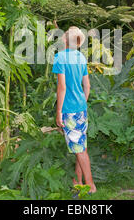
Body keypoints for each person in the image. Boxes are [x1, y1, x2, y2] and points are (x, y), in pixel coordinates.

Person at [52, 26, 97, 195]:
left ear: (65, 40)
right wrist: (82, 102)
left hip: (69, 109)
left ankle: (90, 185)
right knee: (80, 146)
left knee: (79, 149)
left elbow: (62, 87)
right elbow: (87, 85)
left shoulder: (60, 58)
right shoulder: (81, 57)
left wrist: (59, 112)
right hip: (81, 108)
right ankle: (77, 181)